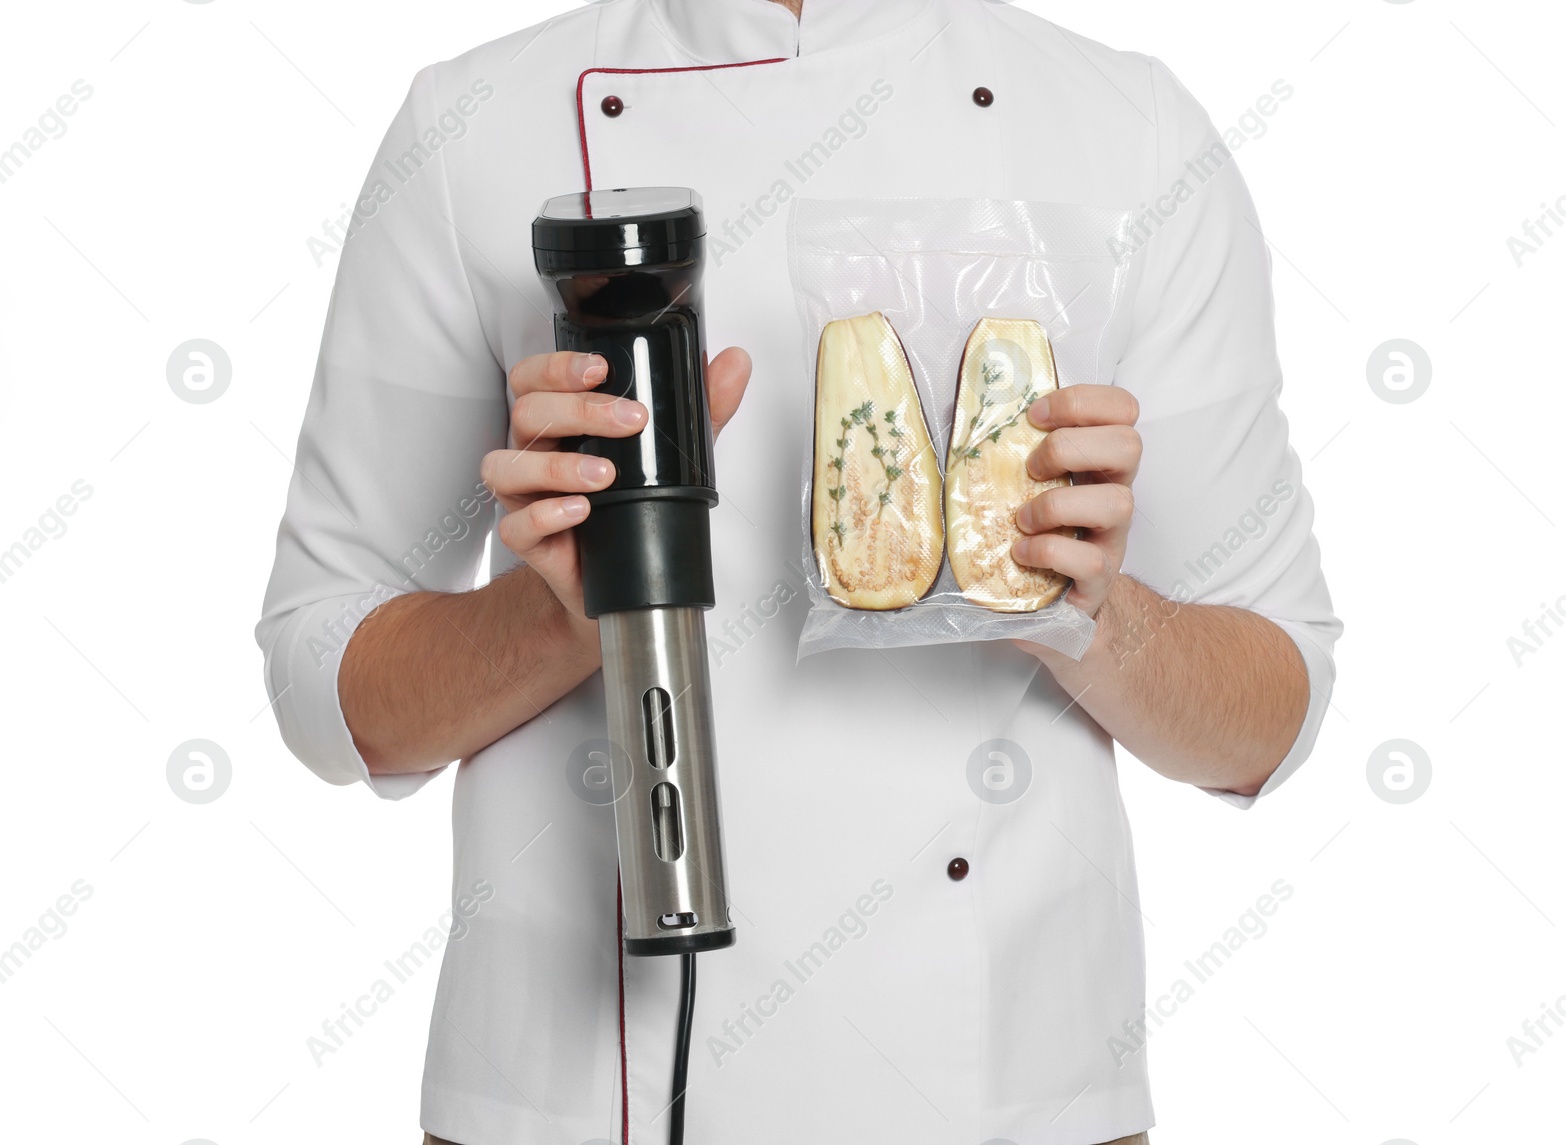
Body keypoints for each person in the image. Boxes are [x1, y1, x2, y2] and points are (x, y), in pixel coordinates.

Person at [256, 1, 1340, 1142]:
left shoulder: (1131, 131)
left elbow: (1272, 713)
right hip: (573, 1097)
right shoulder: (474, 125)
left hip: (1011, 1097)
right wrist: (565, 613)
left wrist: (1075, 606)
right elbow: (320, 688)